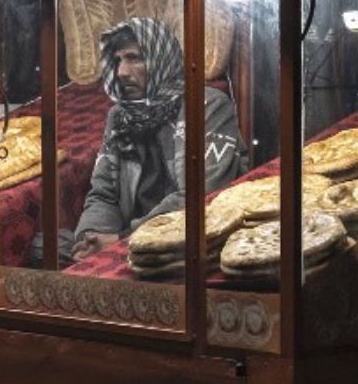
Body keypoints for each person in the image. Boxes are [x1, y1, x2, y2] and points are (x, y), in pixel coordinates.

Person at [66, 17, 246, 262]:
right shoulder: (120, 116)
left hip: (189, 241)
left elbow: (199, 197)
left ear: (162, 58)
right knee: (42, 247)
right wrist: (90, 238)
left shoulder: (207, 106)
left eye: (134, 58)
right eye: (118, 60)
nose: (121, 72)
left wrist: (122, 238)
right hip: (128, 240)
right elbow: (103, 194)